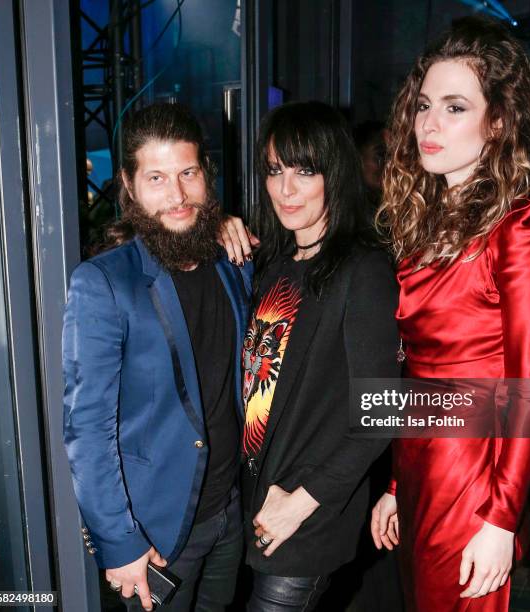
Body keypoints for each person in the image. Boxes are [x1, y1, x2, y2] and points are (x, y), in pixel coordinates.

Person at [370, 16, 530, 611]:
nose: (428, 124)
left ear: (498, 121)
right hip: (421, 462)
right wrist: (398, 485)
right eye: (425, 105)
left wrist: (502, 518)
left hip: (476, 476)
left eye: (455, 107)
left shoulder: (517, 230)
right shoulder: (426, 221)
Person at [62, 103, 252, 612]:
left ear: (205, 174)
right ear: (129, 183)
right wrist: (119, 543)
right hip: (156, 537)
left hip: (229, 514)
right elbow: (87, 428)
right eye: (157, 178)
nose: (177, 195)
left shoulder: (232, 264)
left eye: (188, 173)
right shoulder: (103, 282)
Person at [234, 101, 400, 611]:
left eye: (304, 171)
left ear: (335, 173)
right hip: (257, 498)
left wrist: (299, 504)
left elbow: (381, 413)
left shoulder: (363, 271)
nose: (286, 189)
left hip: (303, 513)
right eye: (275, 170)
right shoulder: (275, 263)